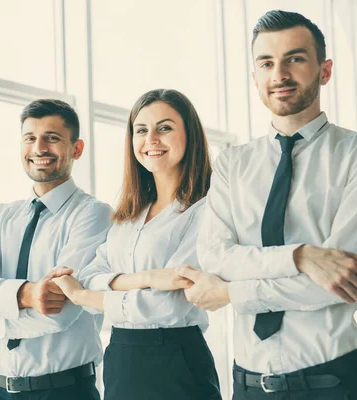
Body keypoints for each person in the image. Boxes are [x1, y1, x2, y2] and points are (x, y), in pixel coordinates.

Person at [176, 10, 357, 400]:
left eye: (295, 59)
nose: (280, 74)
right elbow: (215, 258)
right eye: (267, 63)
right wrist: (302, 256)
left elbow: (335, 284)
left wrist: (229, 293)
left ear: (324, 70)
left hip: (337, 385)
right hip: (248, 386)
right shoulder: (232, 164)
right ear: (255, 77)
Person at [52, 89, 223, 400]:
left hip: (177, 360)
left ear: (191, 135)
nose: (151, 139)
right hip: (121, 356)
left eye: (165, 128)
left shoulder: (207, 209)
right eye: (141, 130)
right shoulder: (128, 216)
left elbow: (168, 305)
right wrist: (148, 279)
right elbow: (91, 274)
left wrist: (84, 295)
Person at [0, 99, 112, 400]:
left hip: (63, 391)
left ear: (76, 149)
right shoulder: (1, 216)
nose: (39, 148)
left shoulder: (94, 215)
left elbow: (58, 312)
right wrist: (27, 295)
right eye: (30, 138)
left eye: (52, 138)